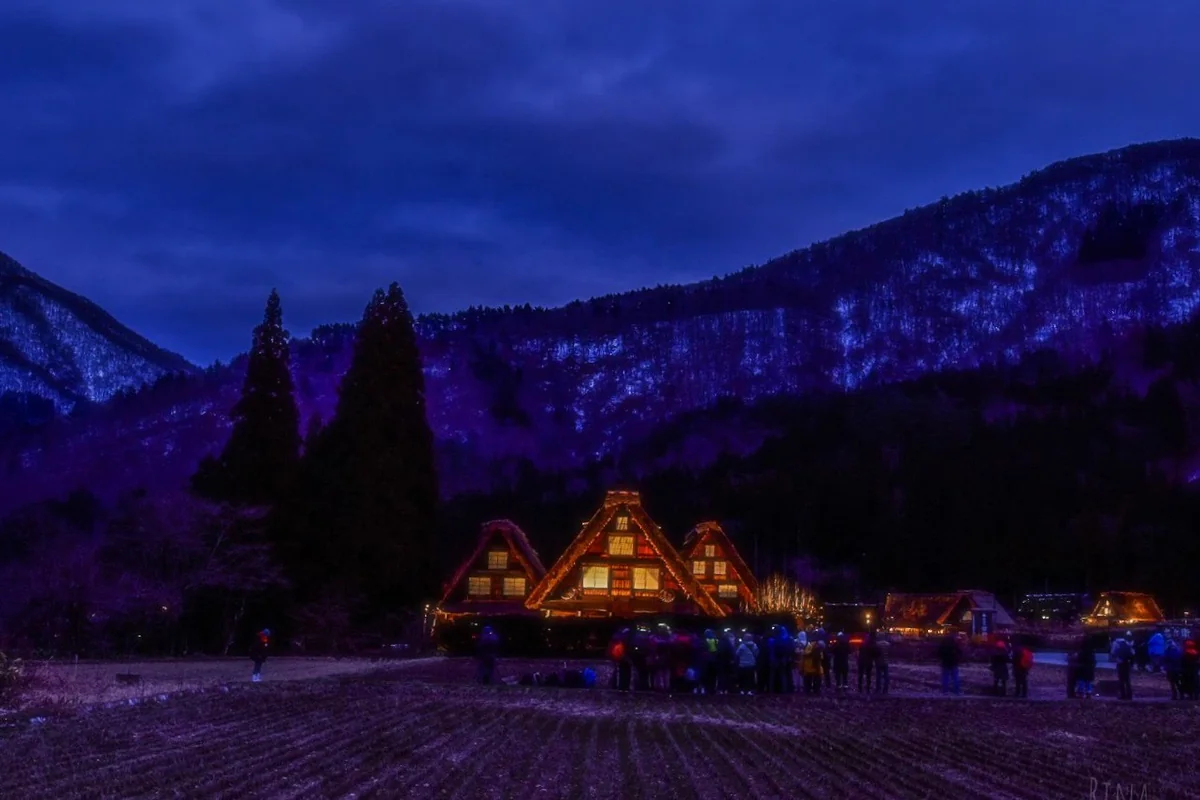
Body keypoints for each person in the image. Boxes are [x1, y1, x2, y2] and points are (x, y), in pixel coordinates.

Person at [1111, 631, 1134, 700]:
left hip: (1120, 662)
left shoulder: (1116, 642)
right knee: (1127, 679)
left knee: (1121, 679)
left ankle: (1122, 695)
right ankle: (1129, 695)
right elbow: (1132, 653)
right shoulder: (1128, 643)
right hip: (1127, 662)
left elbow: (1113, 652)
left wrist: (1116, 658)